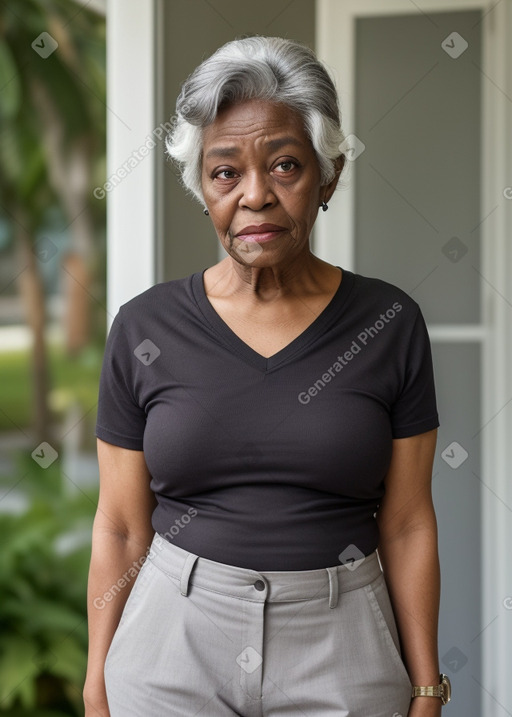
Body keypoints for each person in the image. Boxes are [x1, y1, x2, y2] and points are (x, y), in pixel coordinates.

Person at [84, 36, 447, 717]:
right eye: (225, 173)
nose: (256, 195)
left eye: (285, 165)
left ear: (328, 176)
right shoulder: (143, 328)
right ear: (202, 188)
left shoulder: (390, 322)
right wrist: (97, 674)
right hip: (172, 641)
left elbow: (406, 521)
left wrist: (425, 682)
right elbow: (122, 527)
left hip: (342, 644)